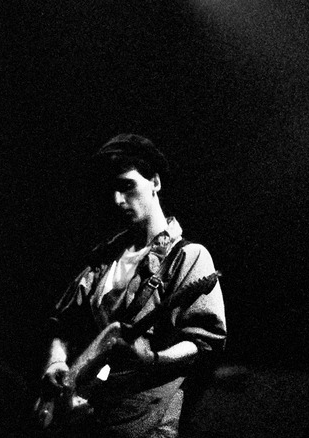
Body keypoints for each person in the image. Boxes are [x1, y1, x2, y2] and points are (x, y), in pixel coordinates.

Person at [39, 134, 227, 436]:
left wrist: (154, 359)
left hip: (143, 422)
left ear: (155, 182)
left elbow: (204, 341)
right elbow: (62, 322)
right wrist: (56, 362)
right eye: (111, 189)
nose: (117, 200)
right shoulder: (104, 257)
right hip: (82, 419)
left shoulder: (187, 256)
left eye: (127, 185)